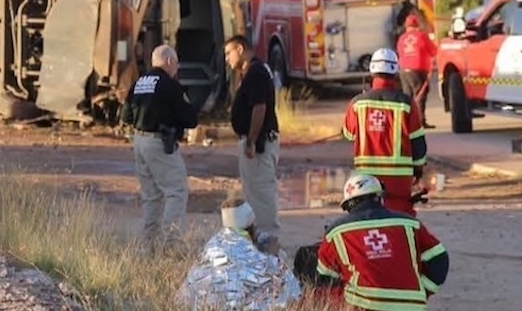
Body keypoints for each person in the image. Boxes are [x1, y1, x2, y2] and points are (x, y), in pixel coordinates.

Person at [315, 173, 449, 311]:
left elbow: (324, 279)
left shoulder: (336, 232)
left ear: (348, 205)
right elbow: (439, 258)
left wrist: (340, 303)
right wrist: (423, 290)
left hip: (363, 305)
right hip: (412, 305)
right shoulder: (410, 224)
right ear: (379, 198)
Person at [119, 44, 198, 249]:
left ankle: (149, 246)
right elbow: (191, 119)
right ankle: (170, 244)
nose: (177, 69)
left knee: (151, 196)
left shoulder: (139, 83)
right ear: (169, 61)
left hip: (139, 141)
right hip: (159, 143)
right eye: (176, 64)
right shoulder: (169, 85)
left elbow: (126, 116)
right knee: (176, 191)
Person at [343, 48, 427, 217]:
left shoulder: (357, 103)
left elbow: (348, 135)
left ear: (372, 70)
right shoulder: (406, 103)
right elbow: (417, 142)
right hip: (399, 178)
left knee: (367, 218)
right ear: (395, 70)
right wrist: (418, 169)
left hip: (366, 178)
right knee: (400, 217)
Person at [177, 197, 301, 310]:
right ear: (251, 222)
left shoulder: (212, 247)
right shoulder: (262, 257)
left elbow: (186, 291)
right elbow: (292, 291)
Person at [224, 34, 281, 252]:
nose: (227, 59)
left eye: (228, 53)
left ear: (240, 49)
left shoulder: (255, 72)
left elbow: (259, 107)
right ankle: (262, 243)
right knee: (254, 194)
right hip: (258, 142)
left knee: (261, 195)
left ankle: (269, 245)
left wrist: (251, 141)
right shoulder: (252, 71)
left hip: (259, 145)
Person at [397, 14, 437, 129]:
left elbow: (399, 52)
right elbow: (433, 50)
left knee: (407, 96)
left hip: (403, 70)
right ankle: (420, 122)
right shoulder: (421, 36)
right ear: (417, 25)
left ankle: (406, 122)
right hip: (417, 69)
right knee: (420, 95)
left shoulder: (402, 38)